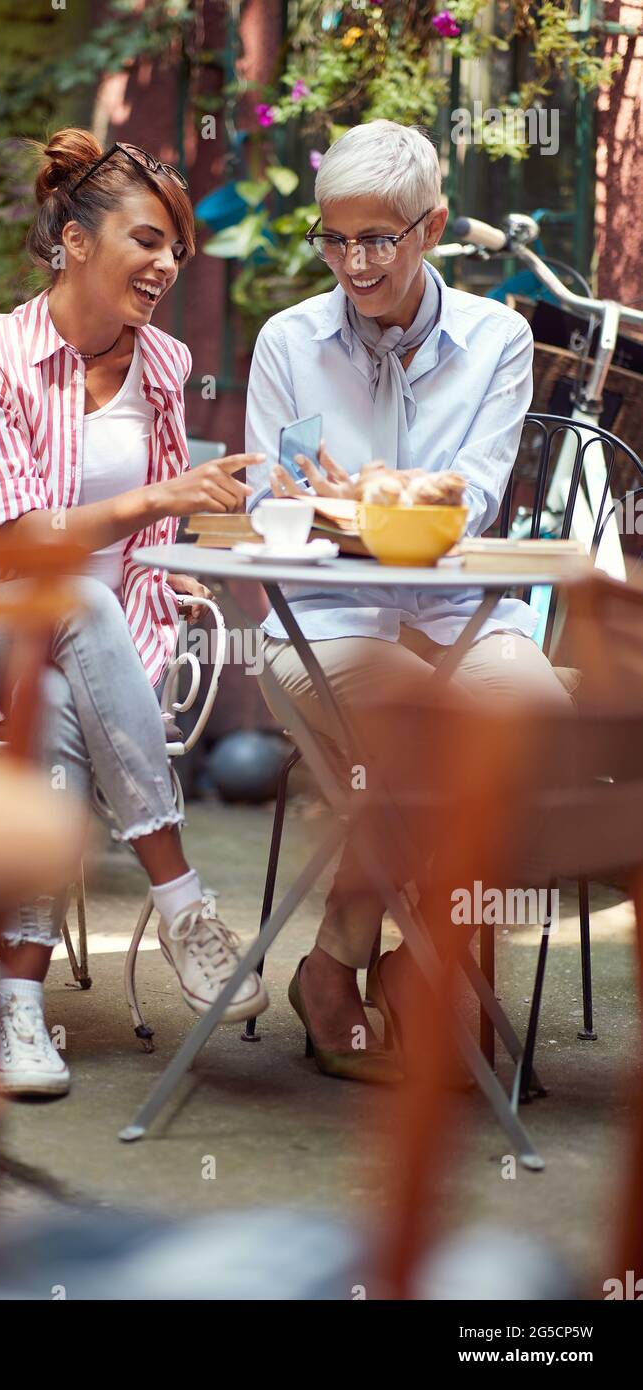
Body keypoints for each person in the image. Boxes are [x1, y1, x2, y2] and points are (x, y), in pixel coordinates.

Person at [0, 129, 269, 1097]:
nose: (166, 263)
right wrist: (152, 506)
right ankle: (182, 898)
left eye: (175, 247)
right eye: (146, 240)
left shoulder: (161, 364)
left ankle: (16, 1010)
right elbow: (18, 544)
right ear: (73, 242)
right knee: (66, 596)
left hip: (94, 646)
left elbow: (165, 514)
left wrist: (206, 541)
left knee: (51, 685)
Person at [244, 120, 573, 1084]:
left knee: (538, 732)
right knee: (421, 733)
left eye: (377, 240)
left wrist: (359, 495)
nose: (352, 264)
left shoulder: (498, 339)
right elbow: (273, 508)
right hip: (322, 622)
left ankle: (361, 958)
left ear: (431, 227)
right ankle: (429, 970)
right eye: (333, 239)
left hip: (464, 619)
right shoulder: (287, 343)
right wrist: (366, 503)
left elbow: (469, 500)